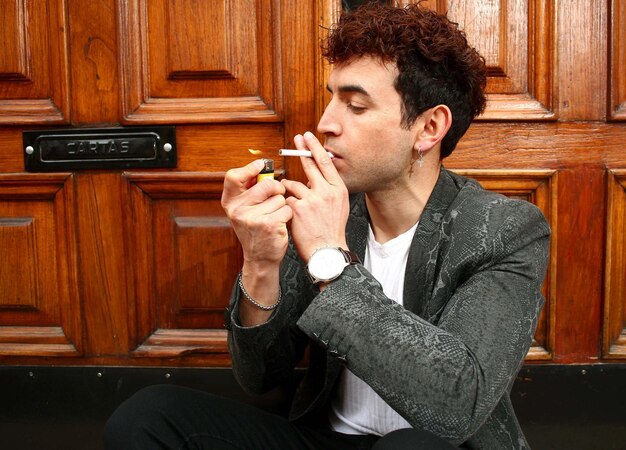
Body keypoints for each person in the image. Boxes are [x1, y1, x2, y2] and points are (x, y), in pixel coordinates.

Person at [104, 3, 550, 449]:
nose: (325, 123)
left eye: (355, 105)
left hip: (434, 446)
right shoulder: (332, 211)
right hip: (329, 438)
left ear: (428, 127)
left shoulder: (505, 230)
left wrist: (330, 261)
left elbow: (457, 405)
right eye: (332, 97)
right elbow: (261, 376)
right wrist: (259, 264)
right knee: (147, 416)